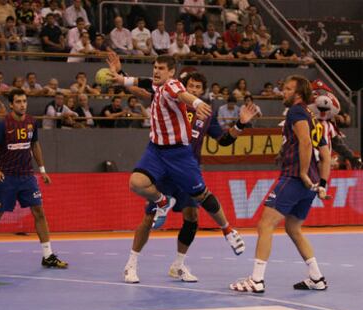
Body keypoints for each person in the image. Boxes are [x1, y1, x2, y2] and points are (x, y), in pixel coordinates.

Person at [109, 54, 246, 281]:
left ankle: (223, 234)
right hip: (158, 152)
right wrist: (120, 76)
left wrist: (238, 123)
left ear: (172, 73)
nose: (156, 71)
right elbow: (144, 86)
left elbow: (222, 139)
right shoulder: (164, 88)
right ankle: (133, 261)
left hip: (183, 160)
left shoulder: (192, 104)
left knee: (196, 209)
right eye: (155, 67)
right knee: (140, 193)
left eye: (161, 68)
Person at [229, 75, 331, 293]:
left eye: (287, 89)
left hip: (295, 177)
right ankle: (317, 277)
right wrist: (322, 183)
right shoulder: (313, 116)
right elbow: (325, 153)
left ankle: (256, 281)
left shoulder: (296, 111)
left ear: (297, 94)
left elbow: (305, 141)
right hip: (309, 184)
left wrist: (302, 173)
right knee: (293, 228)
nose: (282, 92)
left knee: (265, 224)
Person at [0, 89, 68, 269]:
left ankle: (48, 255)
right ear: (11, 104)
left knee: (39, 213)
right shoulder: (2, 124)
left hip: (27, 177)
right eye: (18, 101)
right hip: (7, 177)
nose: (22, 104)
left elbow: (35, 145)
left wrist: (42, 170)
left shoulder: (31, 122)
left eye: (24, 101)